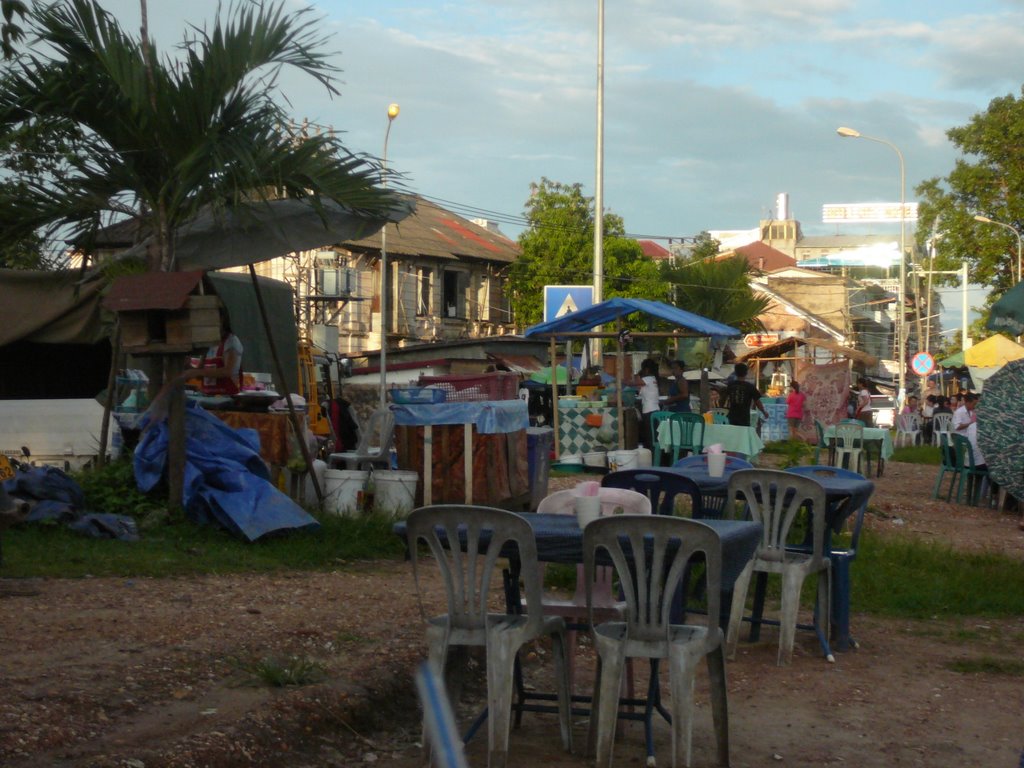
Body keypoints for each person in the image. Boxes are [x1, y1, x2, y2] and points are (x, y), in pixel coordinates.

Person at [197, 310, 244, 395]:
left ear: (223, 320)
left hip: (227, 399)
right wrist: (187, 369)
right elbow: (199, 376)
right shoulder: (207, 343)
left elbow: (227, 371)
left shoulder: (231, 341)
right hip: (207, 397)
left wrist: (196, 372)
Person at [722, 363, 768, 427]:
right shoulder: (750, 387)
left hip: (732, 416)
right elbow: (757, 401)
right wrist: (763, 411)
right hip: (744, 417)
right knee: (744, 434)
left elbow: (724, 398)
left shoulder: (730, 385)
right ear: (746, 373)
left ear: (735, 372)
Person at [635, 358, 661, 449]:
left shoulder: (649, 378)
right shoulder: (652, 379)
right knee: (652, 435)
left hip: (649, 411)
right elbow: (639, 389)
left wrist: (622, 381)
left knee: (650, 436)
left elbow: (634, 383)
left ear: (646, 369)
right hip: (653, 409)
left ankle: (653, 455)